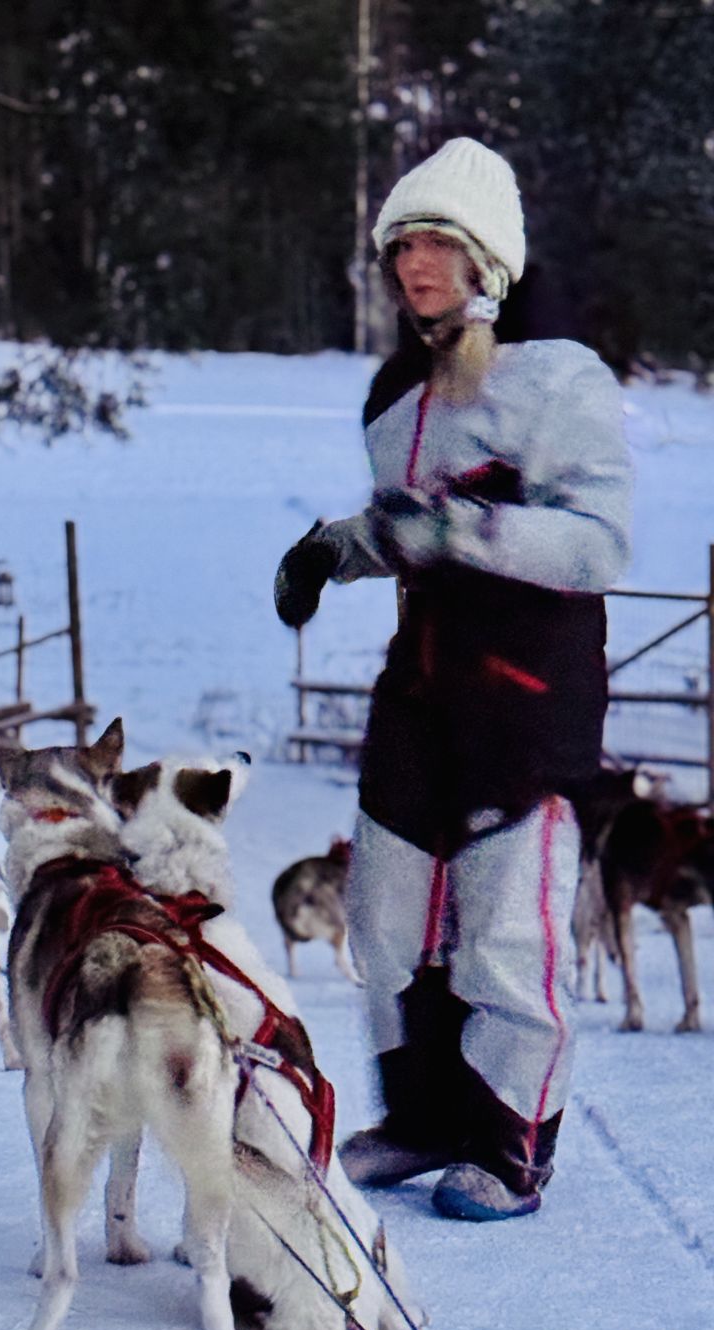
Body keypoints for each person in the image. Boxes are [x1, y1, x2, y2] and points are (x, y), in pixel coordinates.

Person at [273, 138, 633, 1221]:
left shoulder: (559, 378)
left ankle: (512, 1142)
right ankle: (425, 1116)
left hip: (525, 696)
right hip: (421, 696)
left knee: (507, 930)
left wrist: (466, 524)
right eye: (403, 245)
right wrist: (337, 549)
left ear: (489, 259)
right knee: (383, 921)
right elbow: (405, 529)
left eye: (439, 243)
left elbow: (596, 546)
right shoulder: (398, 393)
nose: (416, 264)